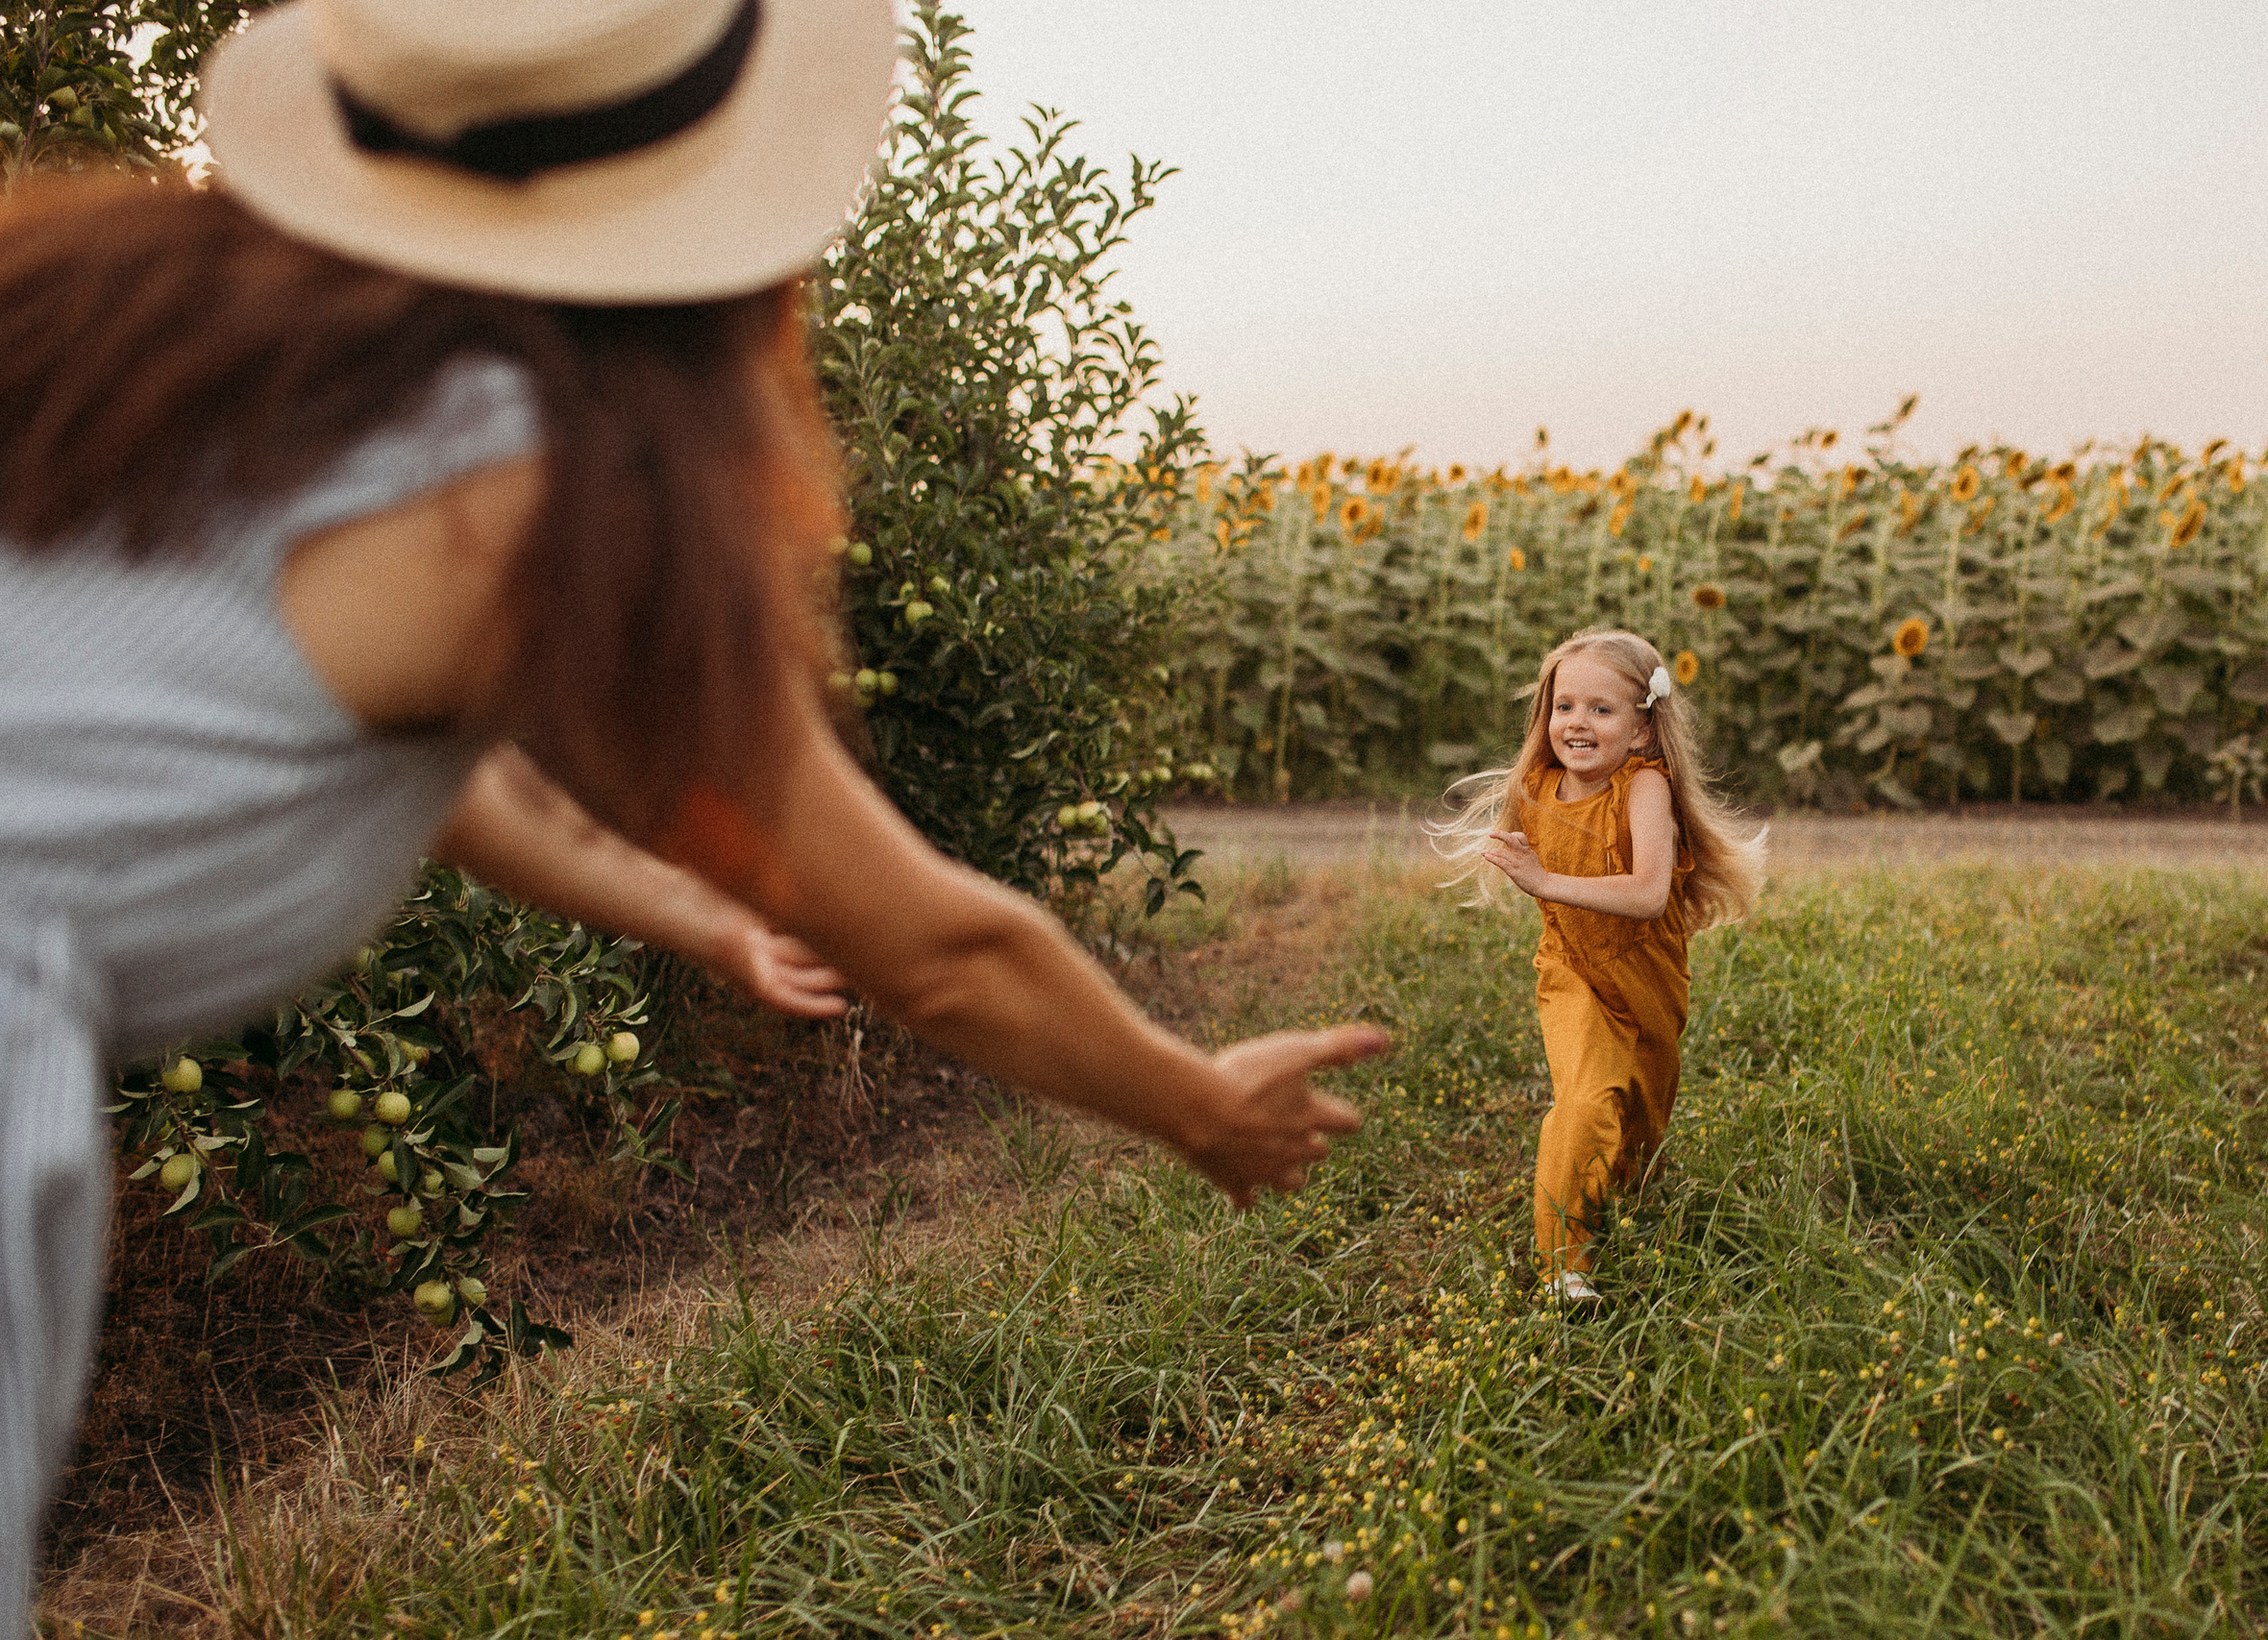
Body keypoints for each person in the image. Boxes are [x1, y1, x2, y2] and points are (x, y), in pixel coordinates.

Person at [0, 0, 1382, 1626]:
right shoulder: (534, 490)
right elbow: (937, 948)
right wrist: (1197, 1103)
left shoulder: (157, 328)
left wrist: (709, 910)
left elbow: (425, 763)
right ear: (745, 259)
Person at [1429, 630, 1763, 1302]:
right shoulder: (1536, 790)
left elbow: (1645, 893)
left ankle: (1630, 1196)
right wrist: (1540, 876)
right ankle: (1565, 1267)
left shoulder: (1645, 787)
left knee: (1639, 1121)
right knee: (1584, 1100)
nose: (1577, 722)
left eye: (1601, 710)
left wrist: (1545, 879)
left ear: (1642, 727)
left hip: (1648, 978)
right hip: (1572, 971)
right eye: (1564, 706)